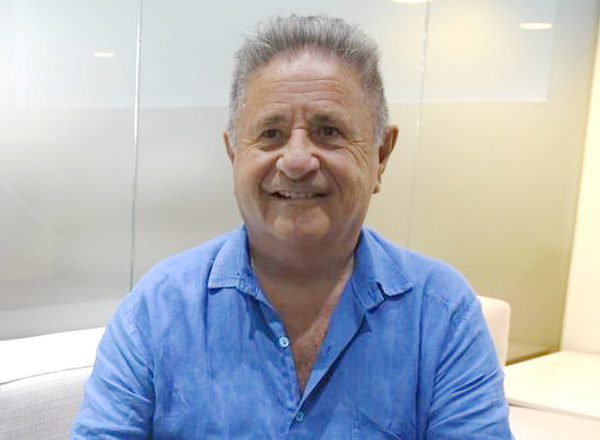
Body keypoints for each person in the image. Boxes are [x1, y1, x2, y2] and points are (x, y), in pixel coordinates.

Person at [72, 15, 512, 439]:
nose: (297, 160)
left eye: (329, 131)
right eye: (270, 134)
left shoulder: (441, 314)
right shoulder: (158, 309)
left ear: (381, 155)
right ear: (233, 155)